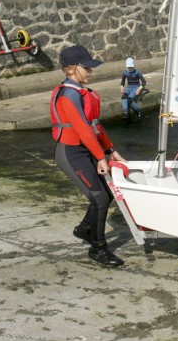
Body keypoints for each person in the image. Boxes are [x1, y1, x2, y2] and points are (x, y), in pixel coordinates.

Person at [51, 45, 127, 266]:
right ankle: (98, 249)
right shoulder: (68, 95)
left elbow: (95, 126)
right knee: (99, 198)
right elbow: (82, 130)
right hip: (70, 152)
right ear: (70, 69)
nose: (90, 72)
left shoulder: (85, 94)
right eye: (87, 68)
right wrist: (100, 158)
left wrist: (111, 151)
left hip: (88, 149)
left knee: (107, 193)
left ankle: (85, 229)